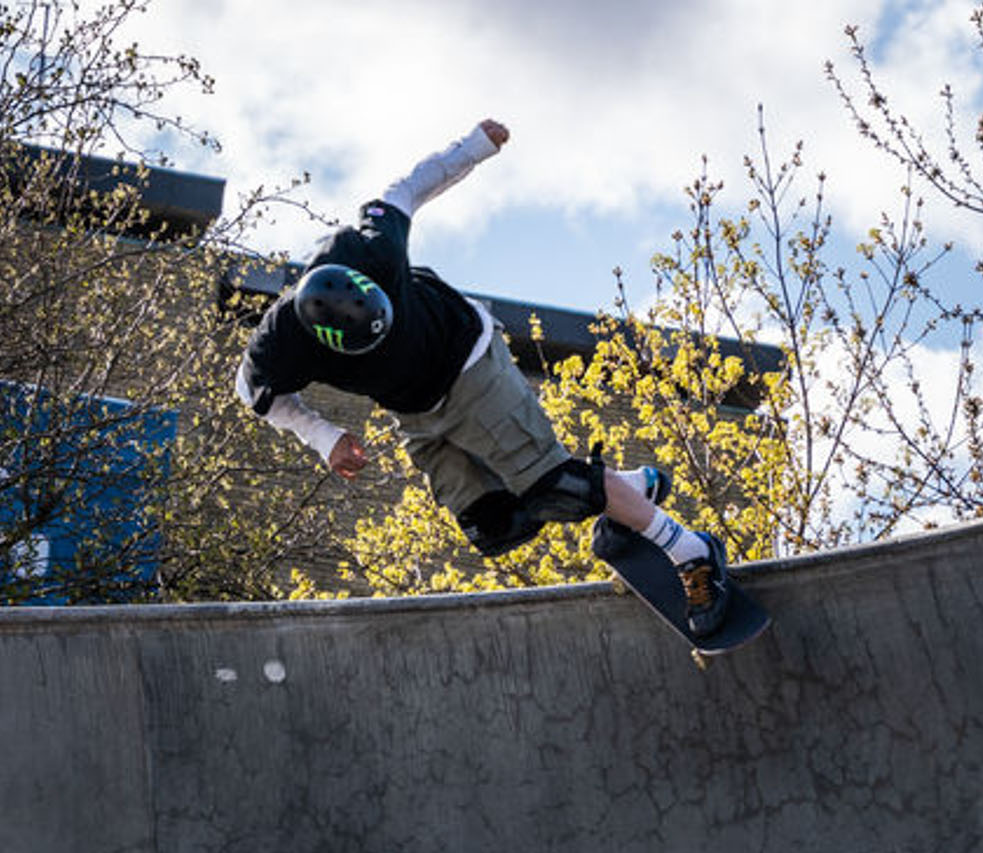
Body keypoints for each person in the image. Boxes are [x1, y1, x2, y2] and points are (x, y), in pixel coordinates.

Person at [234, 118, 734, 635]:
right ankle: (630, 490)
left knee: (555, 487)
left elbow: (407, 188)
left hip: (469, 360)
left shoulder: (372, 248)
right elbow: (250, 392)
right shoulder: (278, 344)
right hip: (415, 410)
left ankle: (692, 552)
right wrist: (325, 437)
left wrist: (474, 147)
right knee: (496, 527)